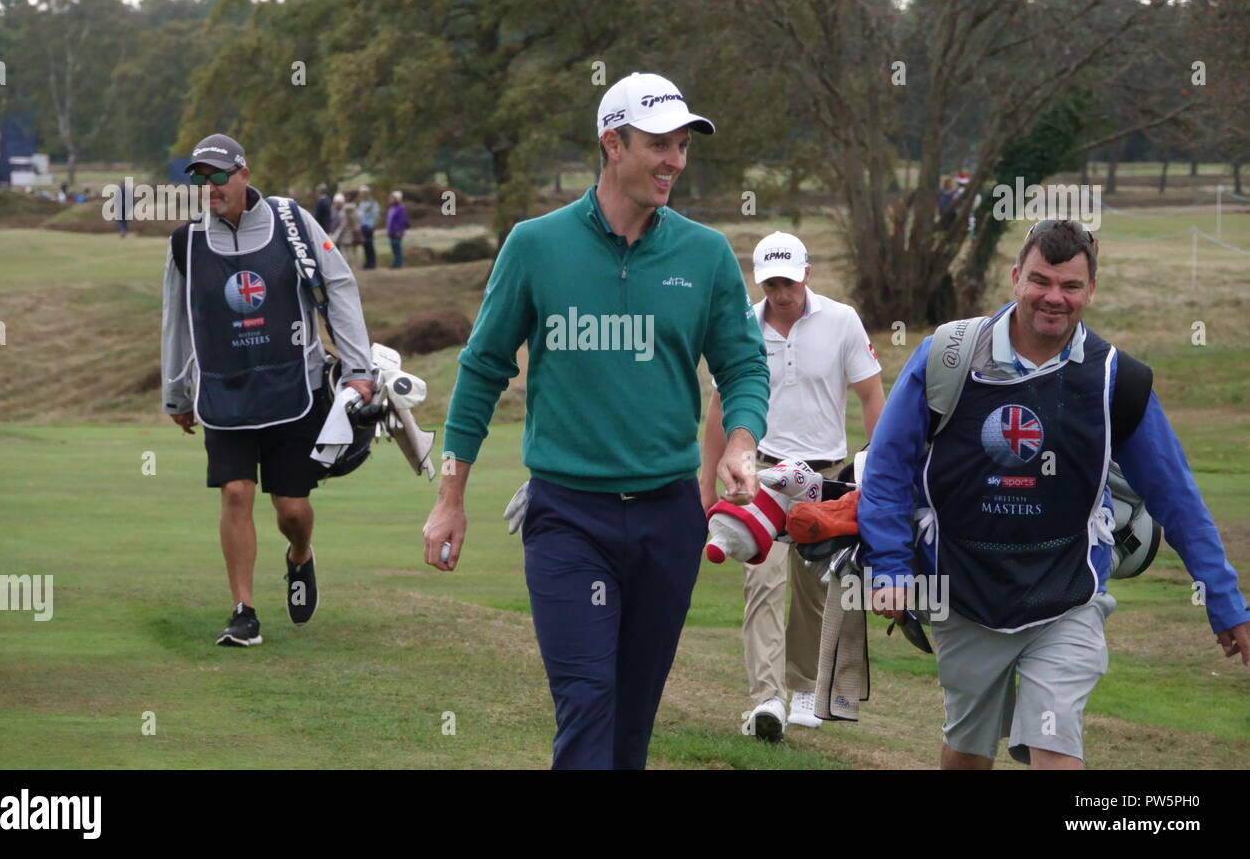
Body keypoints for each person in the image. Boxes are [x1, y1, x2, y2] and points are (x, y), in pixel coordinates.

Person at [422, 72, 770, 769]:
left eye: (681, 145)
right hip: (567, 517)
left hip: (669, 518)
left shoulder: (703, 256)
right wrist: (450, 495)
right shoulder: (535, 245)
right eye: (659, 144)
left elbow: (742, 367)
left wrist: (740, 441)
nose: (675, 159)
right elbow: (485, 366)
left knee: (631, 722)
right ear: (612, 143)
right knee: (587, 702)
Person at [858, 219, 1250, 769]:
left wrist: (1224, 599)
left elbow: (1175, 496)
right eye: (1040, 281)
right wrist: (892, 568)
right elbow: (887, 469)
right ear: (1016, 278)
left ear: (1090, 290)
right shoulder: (947, 357)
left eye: (1070, 286)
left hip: (1068, 596)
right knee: (968, 748)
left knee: (1053, 740)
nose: (1053, 298)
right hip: (965, 596)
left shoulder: (1117, 379)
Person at [161, 133, 375, 647]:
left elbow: (339, 287)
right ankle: (243, 611)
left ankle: (300, 555)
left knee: (292, 510)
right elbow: (177, 319)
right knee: (235, 492)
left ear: (243, 175)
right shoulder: (186, 243)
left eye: (218, 176)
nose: (209, 186)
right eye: (200, 178)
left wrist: (358, 368)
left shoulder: (293, 223)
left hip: (291, 389)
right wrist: (176, 392)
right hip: (223, 392)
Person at [700, 231, 885, 741]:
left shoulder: (842, 320)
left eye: (789, 280)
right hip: (760, 471)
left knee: (814, 589)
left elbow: (871, 395)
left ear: (807, 273)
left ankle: (804, 687)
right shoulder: (742, 328)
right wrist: (706, 487)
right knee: (762, 582)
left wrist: (883, 471)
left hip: (823, 476)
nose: (782, 292)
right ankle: (766, 700)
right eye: (771, 283)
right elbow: (718, 410)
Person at [357, 186, 379, 270]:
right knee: (365, 245)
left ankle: (372, 263)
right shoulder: (362, 203)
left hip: (369, 226)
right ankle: (368, 263)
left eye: (362, 193)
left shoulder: (372, 203)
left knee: (370, 245)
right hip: (362, 226)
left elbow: (375, 215)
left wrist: (373, 225)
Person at [386, 191, 408, 268]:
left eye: (393, 198)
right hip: (391, 232)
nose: (391, 199)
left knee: (397, 246)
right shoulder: (392, 208)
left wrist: (400, 231)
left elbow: (402, 221)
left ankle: (399, 263)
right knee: (393, 247)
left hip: (397, 232)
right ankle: (395, 262)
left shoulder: (401, 208)